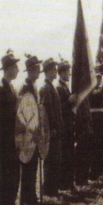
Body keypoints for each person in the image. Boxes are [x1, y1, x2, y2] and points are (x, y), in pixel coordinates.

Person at [0, 50, 21, 205]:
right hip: (4, 140)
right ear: (8, 68)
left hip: (13, 139)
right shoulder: (0, 88)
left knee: (13, 174)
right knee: (5, 175)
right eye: (15, 66)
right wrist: (16, 115)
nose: (17, 70)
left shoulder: (12, 88)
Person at [16, 55, 43, 205]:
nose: (38, 71)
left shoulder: (33, 85)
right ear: (31, 70)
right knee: (27, 164)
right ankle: (28, 196)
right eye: (36, 69)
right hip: (27, 132)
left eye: (39, 68)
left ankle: (31, 195)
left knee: (32, 164)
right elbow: (25, 111)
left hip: (34, 131)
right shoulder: (26, 87)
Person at [40, 58, 63, 196]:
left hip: (55, 129)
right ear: (48, 71)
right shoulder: (45, 88)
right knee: (50, 161)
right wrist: (52, 128)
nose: (56, 72)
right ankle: (48, 189)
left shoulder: (51, 87)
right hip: (51, 131)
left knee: (55, 160)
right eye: (54, 69)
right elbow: (47, 111)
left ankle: (53, 189)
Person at [88, 64, 103, 179]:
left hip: (102, 120)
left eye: (99, 78)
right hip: (96, 121)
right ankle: (95, 172)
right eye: (96, 78)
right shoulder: (92, 91)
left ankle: (100, 169)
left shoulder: (99, 90)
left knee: (102, 145)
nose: (98, 80)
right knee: (96, 146)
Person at [56, 60, 76, 190]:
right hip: (64, 125)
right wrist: (69, 101)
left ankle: (68, 182)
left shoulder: (64, 87)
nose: (69, 73)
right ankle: (64, 183)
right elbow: (59, 108)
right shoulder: (59, 87)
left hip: (69, 125)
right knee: (65, 155)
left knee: (69, 154)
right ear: (62, 72)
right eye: (67, 71)